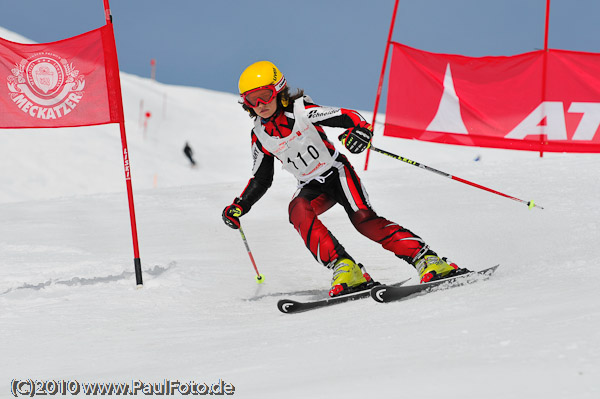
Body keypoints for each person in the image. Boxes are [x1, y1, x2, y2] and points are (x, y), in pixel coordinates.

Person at [222, 61, 467, 297]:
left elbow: (347, 116)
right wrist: (240, 206)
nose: (260, 104)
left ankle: (427, 259)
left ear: (278, 91)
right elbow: (261, 179)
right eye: (252, 100)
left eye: (264, 95)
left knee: (364, 220)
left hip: (337, 173)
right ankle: (346, 269)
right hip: (310, 186)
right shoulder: (260, 135)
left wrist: (360, 131)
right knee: (297, 210)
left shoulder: (301, 111)